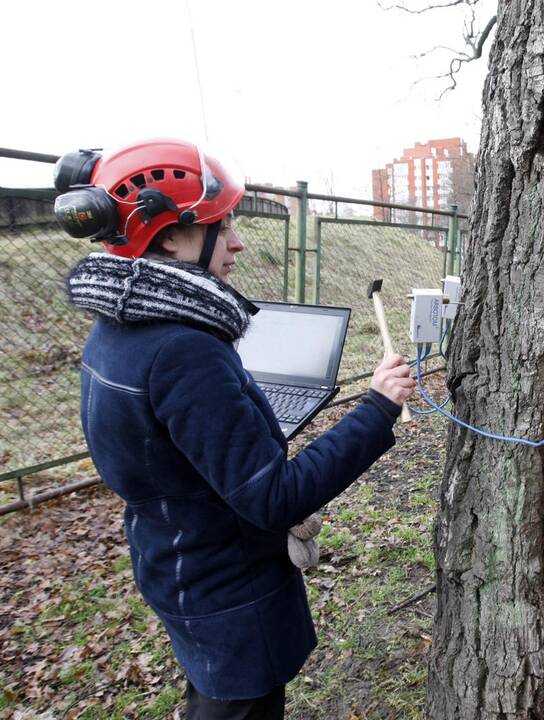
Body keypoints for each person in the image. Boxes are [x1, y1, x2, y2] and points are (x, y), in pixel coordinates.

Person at [56, 138, 416, 719]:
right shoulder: (183, 349)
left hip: (178, 564)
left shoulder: (119, 324)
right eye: (221, 227)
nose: (237, 241)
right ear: (171, 236)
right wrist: (376, 408)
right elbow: (274, 499)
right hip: (229, 592)